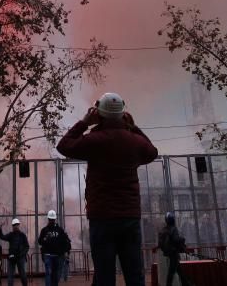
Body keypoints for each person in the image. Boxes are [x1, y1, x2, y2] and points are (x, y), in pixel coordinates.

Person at [56, 92, 158, 286]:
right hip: (129, 217)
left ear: (98, 114)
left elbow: (64, 146)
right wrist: (133, 127)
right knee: (135, 274)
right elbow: (152, 151)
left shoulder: (94, 140)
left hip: (101, 218)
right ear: (122, 114)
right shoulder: (134, 141)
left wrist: (84, 122)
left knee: (104, 276)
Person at [37, 210, 71, 286]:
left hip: (57, 256)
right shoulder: (44, 230)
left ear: (55, 219)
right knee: (49, 273)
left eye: (52, 219)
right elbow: (40, 241)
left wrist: (66, 251)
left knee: (56, 275)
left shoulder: (60, 230)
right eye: (50, 219)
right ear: (48, 219)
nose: (51, 221)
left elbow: (65, 241)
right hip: (48, 255)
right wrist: (45, 238)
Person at [157, 212, 190, 286]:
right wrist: (182, 239)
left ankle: (186, 284)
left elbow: (160, 244)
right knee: (171, 272)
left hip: (169, 252)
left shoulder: (164, 229)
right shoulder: (173, 229)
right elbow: (176, 240)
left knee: (179, 271)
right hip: (173, 253)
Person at [0, 218, 29, 286]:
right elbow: (2, 237)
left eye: (17, 224)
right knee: (10, 276)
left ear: (19, 225)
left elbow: (27, 246)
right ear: (12, 226)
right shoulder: (11, 235)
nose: (16, 226)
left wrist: (22, 254)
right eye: (14, 225)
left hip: (20, 258)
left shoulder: (22, 235)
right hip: (12, 258)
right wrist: (0, 229)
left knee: (22, 274)